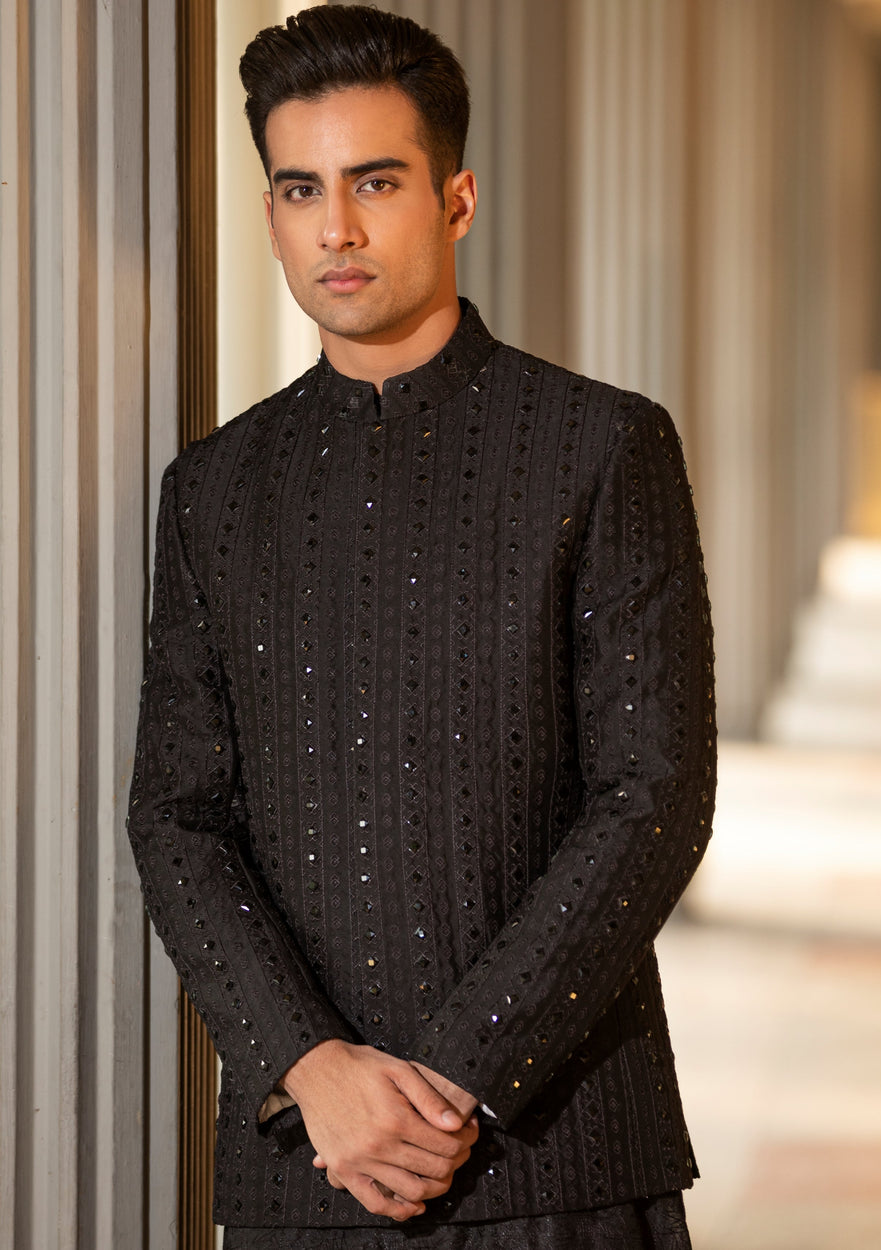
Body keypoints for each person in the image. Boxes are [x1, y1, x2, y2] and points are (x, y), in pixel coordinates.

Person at [127, 5, 716, 1246]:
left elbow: (653, 791)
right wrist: (313, 1067)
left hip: (557, 1146)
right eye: (298, 188)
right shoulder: (213, 490)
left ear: (455, 199)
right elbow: (178, 813)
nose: (334, 228)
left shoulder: (601, 445)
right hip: (309, 1160)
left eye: (374, 181)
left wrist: (450, 1078)